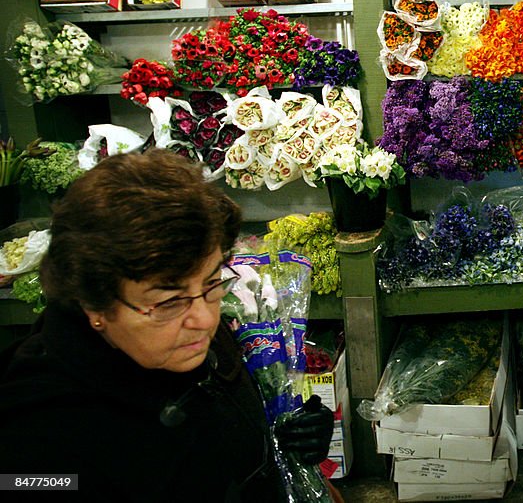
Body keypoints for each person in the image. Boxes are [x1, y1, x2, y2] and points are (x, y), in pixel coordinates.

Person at [0, 150, 338, 502]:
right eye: (168, 302)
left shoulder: (186, 332)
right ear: (94, 303)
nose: (206, 320)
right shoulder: (35, 437)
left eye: (212, 283)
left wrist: (285, 435)